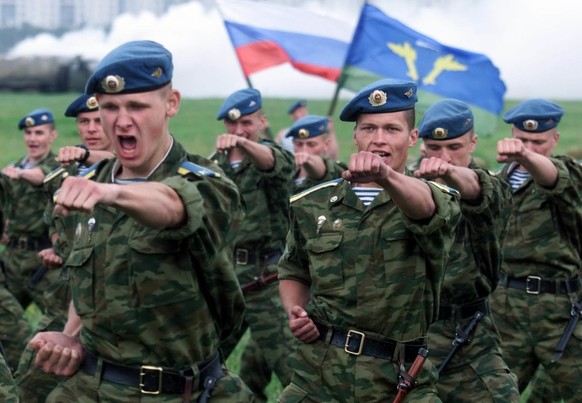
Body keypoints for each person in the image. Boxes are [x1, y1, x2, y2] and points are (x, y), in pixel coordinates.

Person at [27, 40, 252, 402]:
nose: (122, 120)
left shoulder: (208, 181)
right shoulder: (90, 181)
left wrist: (113, 195)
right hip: (96, 384)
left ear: (171, 104)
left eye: (137, 106)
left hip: (178, 391)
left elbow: (174, 204)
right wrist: (71, 337)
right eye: (110, 107)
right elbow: (87, 279)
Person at [277, 78, 462, 402]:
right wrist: (296, 310)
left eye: (392, 129)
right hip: (320, 375)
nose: (379, 140)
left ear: (412, 137)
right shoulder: (312, 203)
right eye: (369, 129)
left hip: (398, 377)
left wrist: (386, 176)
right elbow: (294, 269)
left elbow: (426, 209)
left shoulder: (435, 196)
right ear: (355, 135)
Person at [414, 98, 519, 402]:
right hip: (410, 333)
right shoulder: (405, 186)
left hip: (469, 333)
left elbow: (474, 189)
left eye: (455, 147)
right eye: (434, 148)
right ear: (422, 145)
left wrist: (446, 172)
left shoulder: (491, 188)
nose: (444, 157)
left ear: (472, 143)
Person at [14, 93, 115, 402]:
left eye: (98, 121)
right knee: (30, 379)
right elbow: (56, 228)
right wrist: (58, 250)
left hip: (111, 303)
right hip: (67, 295)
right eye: (84, 122)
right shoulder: (64, 176)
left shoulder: (127, 175)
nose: (92, 129)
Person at [489, 98, 582, 401]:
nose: (528, 148)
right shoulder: (496, 184)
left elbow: (554, 178)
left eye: (538, 142)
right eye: (522, 140)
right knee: (492, 393)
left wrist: (527, 157)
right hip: (504, 309)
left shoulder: (567, 175)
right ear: (511, 136)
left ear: (554, 139)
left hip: (558, 310)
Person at [212, 87, 297, 402]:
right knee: (201, 363)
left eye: (246, 123)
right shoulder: (213, 166)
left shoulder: (272, 157)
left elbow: (276, 164)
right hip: (227, 282)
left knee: (296, 371)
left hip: (267, 283)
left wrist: (246, 144)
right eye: (233, 126)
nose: (238, 131)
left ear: (262, 121)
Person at [286, 114, 347, 194]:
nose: (304, 150)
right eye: (299, 144)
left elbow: (324, 170)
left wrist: (308, 159)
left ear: (326, 144)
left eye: (311, 144)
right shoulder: (287, 174)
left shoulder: (335, 172)